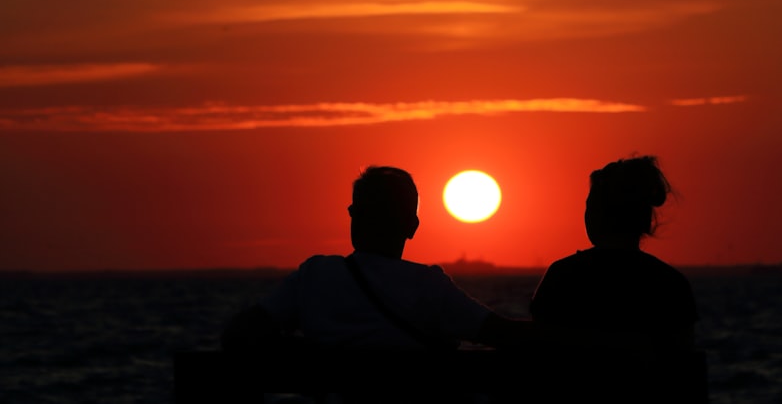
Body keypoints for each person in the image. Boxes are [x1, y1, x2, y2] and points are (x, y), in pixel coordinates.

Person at [222, 165, 534, 353]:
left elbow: (241, 332)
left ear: (353, 215)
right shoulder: (428, 287)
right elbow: (501, 334)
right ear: (412, 227)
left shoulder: (314, 277)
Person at [529, 155, 698, 350]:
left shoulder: (562, 276)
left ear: (596, 215)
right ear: (644, 220)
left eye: (589, 208)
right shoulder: (671, 284)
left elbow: (541, 348)